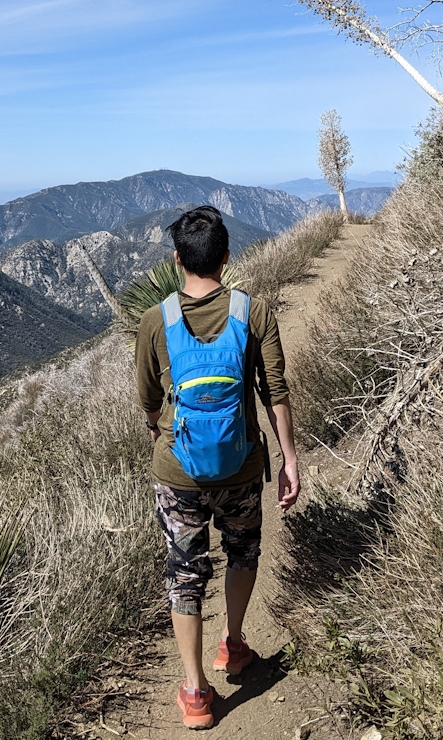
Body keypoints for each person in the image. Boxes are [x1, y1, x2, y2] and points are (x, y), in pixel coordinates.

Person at [135, 205, 300, 730]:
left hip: (178, 472)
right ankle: (232, 645)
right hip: (242, 466)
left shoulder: (155, 321)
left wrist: (159, 430)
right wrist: (289, 458)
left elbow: (147, 397)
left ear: (177, 259)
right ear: (227, 257)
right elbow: (275, 390)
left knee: (185, 573)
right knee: (243, 552)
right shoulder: (254, 313)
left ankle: (195, 692)